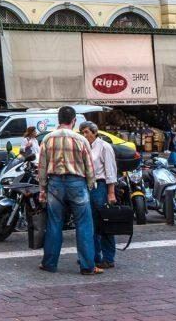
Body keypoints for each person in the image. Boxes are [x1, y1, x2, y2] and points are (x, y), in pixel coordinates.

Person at [38, 105, 99, 275]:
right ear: (73, 121)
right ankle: (87, 266)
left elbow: (41, 166)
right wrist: (90, 184)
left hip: (55, 184)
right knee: (84, 224)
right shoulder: (81, 140)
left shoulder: (48, 139)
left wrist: (42, 188)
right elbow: (89, 167)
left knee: (54, 223)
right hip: (77, 183)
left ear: (58, 120)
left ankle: (49, 263)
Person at [80, 121, 118, 270]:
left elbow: (110, 171)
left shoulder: (104, 147)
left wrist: (111, 192)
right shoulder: (84, 147)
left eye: (87, 132)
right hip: (87, 186)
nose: (84, 135)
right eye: (82, 132)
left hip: (100, 186)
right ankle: (94, 256)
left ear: (95, 132)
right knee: (91, 223)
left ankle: (109, 258)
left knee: (105, 223)